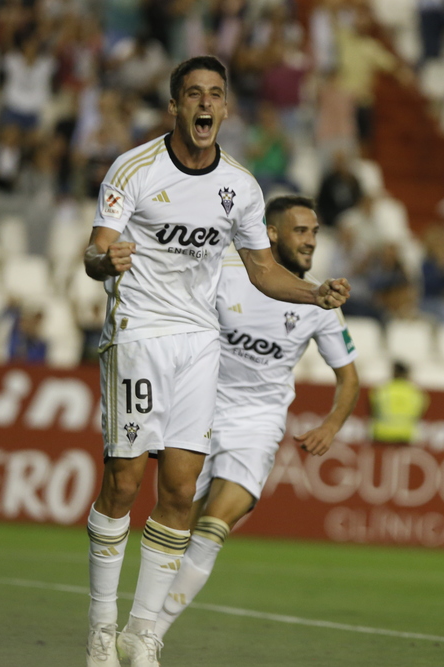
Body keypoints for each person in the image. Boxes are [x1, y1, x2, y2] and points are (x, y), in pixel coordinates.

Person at [82, 56, 350, 667]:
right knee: (124, 483)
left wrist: (315, 292)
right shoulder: (135, 169)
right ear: (175, 106)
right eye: (193, 95)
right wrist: (105, 263)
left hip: (199, 341)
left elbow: (261, 270)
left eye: (216, 95)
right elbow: (97, 250)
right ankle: (100, 626)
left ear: (226, 109)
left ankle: (141, 634)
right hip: (139, 332)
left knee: (179, 491)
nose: (205, 104)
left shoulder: (242, 186)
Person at [151, 194, 360, 647]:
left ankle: (149, 636)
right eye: (300, 230)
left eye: (315, 232)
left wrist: (330, 425)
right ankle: (138, 618)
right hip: (199, 410)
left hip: (258, 423)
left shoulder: (320, 301)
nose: (310, 240)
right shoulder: (226, 272)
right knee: (172, 527)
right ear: (271, 233)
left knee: (213, 529)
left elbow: (349, 379)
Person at [370, 361, 429, 444]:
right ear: (407, 373)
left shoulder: (382, 390)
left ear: (393, 372)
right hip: (406, 436)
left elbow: (374, 409)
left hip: (382, 434)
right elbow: (420, 412)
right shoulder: (416, 392)